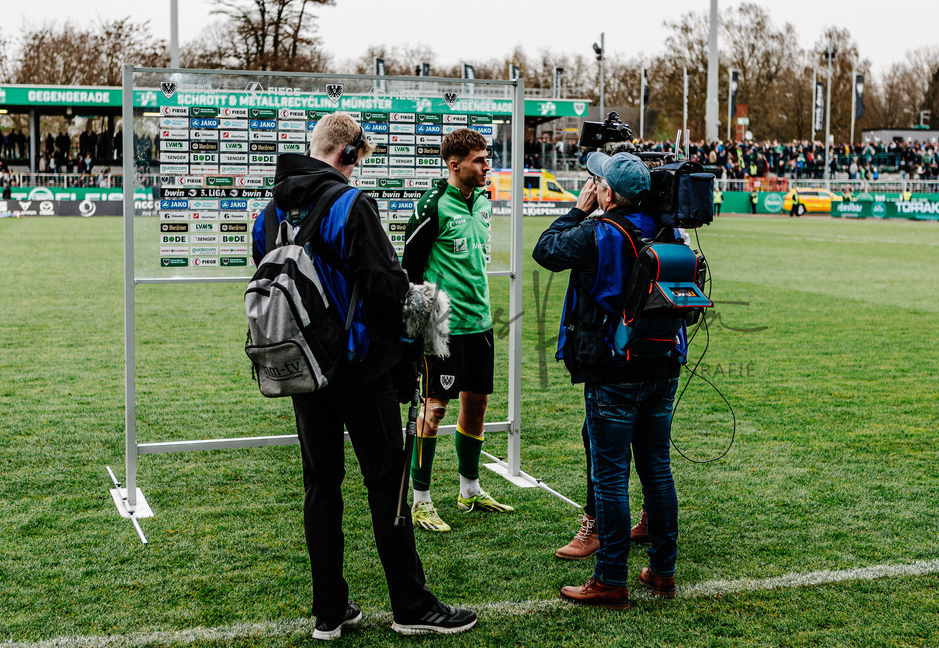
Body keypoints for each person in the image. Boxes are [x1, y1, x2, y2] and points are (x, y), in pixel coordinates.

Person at [251, 112, 477, 638]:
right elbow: (386, 289)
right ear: (349, 153)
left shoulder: (270, 212)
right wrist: (416, 334)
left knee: (321, 486)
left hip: (301, 367)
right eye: (359, 160)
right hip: (359, 369)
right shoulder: (350, 203)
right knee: (385, 483)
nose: (359, 171)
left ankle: (330, 611)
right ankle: (411, 606)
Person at [534, 151, 681, 609]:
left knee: (611, 474)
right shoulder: (668, 229)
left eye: (599, 184)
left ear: (608, 193)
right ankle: (662, 572)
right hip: (663, 363)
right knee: (657, 468)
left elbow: (546, 250)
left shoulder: (598, 231)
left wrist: (578, 209)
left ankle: (611, 578)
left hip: (614, 367)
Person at [402, 128, 513, 533]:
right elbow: (409, 270)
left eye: (487, 158)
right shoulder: (432, 206)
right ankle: (421, 500)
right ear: (455, 164)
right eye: (480, 160)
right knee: (433, 410)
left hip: (481, 323)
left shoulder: (483, 201)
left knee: (477, 403)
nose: (487, 166)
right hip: (442, 327)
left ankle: (470, 489)